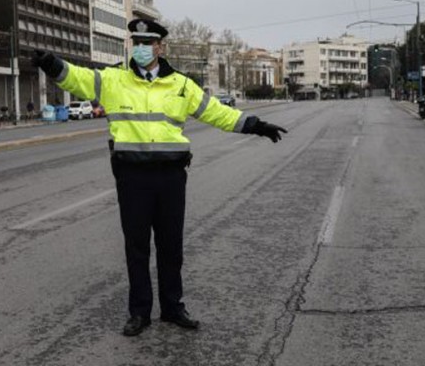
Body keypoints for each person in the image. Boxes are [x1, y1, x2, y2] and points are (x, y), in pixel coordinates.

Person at [32, 18, 286, 337]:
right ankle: (139, 313)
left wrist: (255, 125)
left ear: (160, 47)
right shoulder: (113, 79)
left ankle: (172, 307)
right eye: (136, 42)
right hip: (132, 177)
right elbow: (77, 78)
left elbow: (216, 112)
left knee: (171, 246)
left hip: (170, 177)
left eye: (147, 43)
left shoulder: (181, 85)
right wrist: (51, 63)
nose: (140, 48)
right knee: (136, 248)